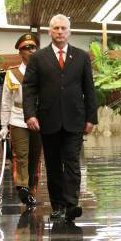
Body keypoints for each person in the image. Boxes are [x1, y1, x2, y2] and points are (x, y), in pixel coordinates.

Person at [23, 14, 98, 222]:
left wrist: (91, 117)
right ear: (50, 32)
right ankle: (58, 205)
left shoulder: (81, 57)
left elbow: (89, 89)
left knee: (72, 161)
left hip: (75, 119)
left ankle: (72, 204)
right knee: (54, 163)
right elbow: (29, 88)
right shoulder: (38, 58)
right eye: (56, 28)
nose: (60, 32)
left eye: (63, 28)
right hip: (48, 119)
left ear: (70, 31)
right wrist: (30, 114)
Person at [0, 33, 43, 206]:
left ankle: (31, 189)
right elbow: (6, 100)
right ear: (20, 52)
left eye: (33, 47)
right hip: (18, 118)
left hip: (39, 119)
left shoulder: (44, 72)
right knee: (21, 155)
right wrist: (4, 125)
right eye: (26, 48)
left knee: (35, 156)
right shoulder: (12, 74)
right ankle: (22, 188)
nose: (30, 51)